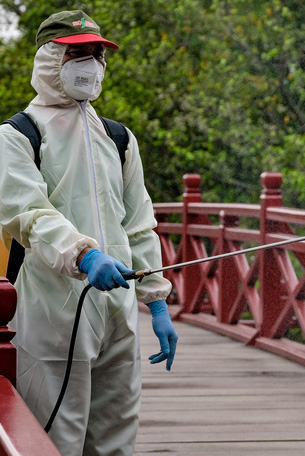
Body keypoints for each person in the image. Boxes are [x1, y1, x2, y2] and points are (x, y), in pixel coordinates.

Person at [0, 10, 177, 456]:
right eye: (79, 53)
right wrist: (84, 255)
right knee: (53, 438)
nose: (92, 63)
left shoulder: (118, 138)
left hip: (117, 312)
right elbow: (28, 214)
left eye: (98, 54)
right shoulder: (18, 135)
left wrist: (156, 300)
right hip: (49, 310)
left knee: (116, 439)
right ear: (49, 58)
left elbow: (138, 224)